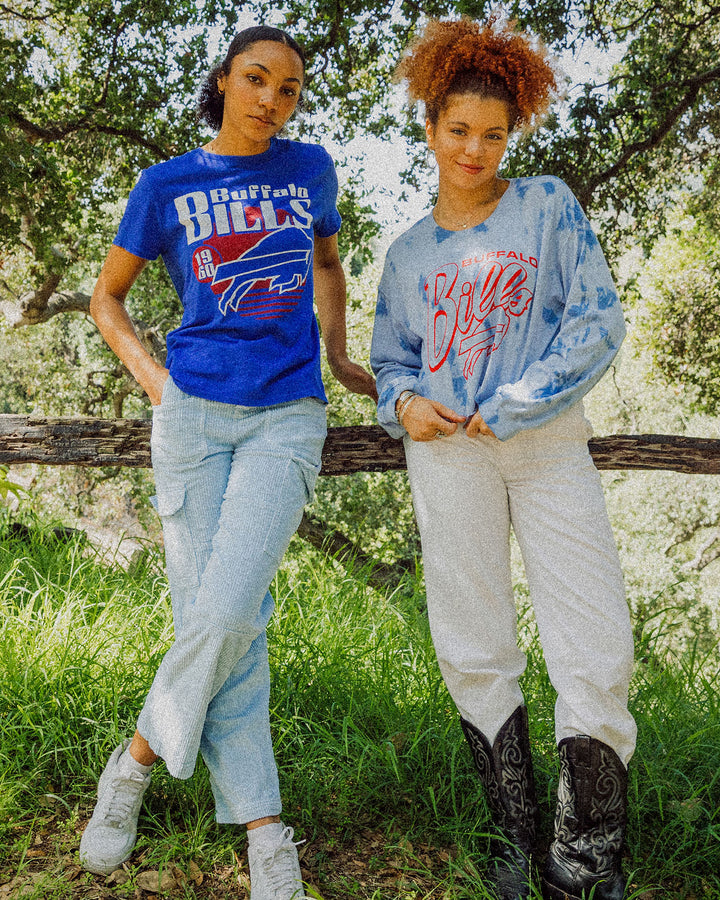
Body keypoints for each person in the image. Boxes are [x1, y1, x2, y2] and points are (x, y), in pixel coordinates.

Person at [79, 24, 376, 900]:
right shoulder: (166, 183)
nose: (271, 100)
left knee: (228, 601)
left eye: (288, 89)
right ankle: (263, 828)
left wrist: (337, 353)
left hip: (287, 413)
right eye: (257, 79)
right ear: (224, 80)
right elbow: (108, 297)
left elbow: (328, 265)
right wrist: (157, 384)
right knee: (227, 621)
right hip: (194, 419)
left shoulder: (311, 170)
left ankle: (133, 760)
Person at [370, 17, 635, 900]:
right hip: (448, 460)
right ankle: (514, 843)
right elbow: (392, 360)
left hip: (549, 447)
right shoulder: (407, 256)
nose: (474, 149)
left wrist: (518, 400)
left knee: (593, 638)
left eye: (492, 134)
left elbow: (598, 323)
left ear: (511, 133)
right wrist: (406, 402)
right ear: (430, 128)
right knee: (474, 641)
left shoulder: (549, 206)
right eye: (458, 132)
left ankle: (588, 856)